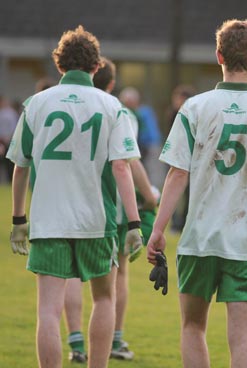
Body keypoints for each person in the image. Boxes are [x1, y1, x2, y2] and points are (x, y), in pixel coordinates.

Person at [147, 19, 247, 368]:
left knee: (192, 327)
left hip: (197, 239)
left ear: (218, 55)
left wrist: (158, 229)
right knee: (243, 337)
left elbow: (177, 173)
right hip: (246, 242)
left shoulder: (194, 107)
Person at [7, 26, 143, 368]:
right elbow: (122, 168)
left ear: (59, 66)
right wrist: (134, 222)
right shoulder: (112, 106)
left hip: (48, 220)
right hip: (95, 220)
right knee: (103, 299)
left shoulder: (37, 103)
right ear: (96, 67)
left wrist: (18, 219)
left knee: (48, 311)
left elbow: (20, 168)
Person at [63, 57, 158, 363]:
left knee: (70, 274)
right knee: (116, 276)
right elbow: (129, 161)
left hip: (69, 202)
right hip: (112, 206)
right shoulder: (118, 110)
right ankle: (114, 338)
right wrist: (148, 197)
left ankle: (76, 341)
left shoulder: (69, 105)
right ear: (112, 83)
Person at [165, 84, 196, 233]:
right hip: (174, 156)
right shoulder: (173, 114)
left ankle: (183, 221)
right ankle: (175, 222)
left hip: (189, 157)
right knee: (174, 189)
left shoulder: (189, 115)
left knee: (188, 191)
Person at [0, 95, 19, 182]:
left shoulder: (8, 113)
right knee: (7, 163)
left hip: (6, 141)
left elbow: (13, 127)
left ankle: (9, 180)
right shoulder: (7, 112)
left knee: (8, 163)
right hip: (5, 141)